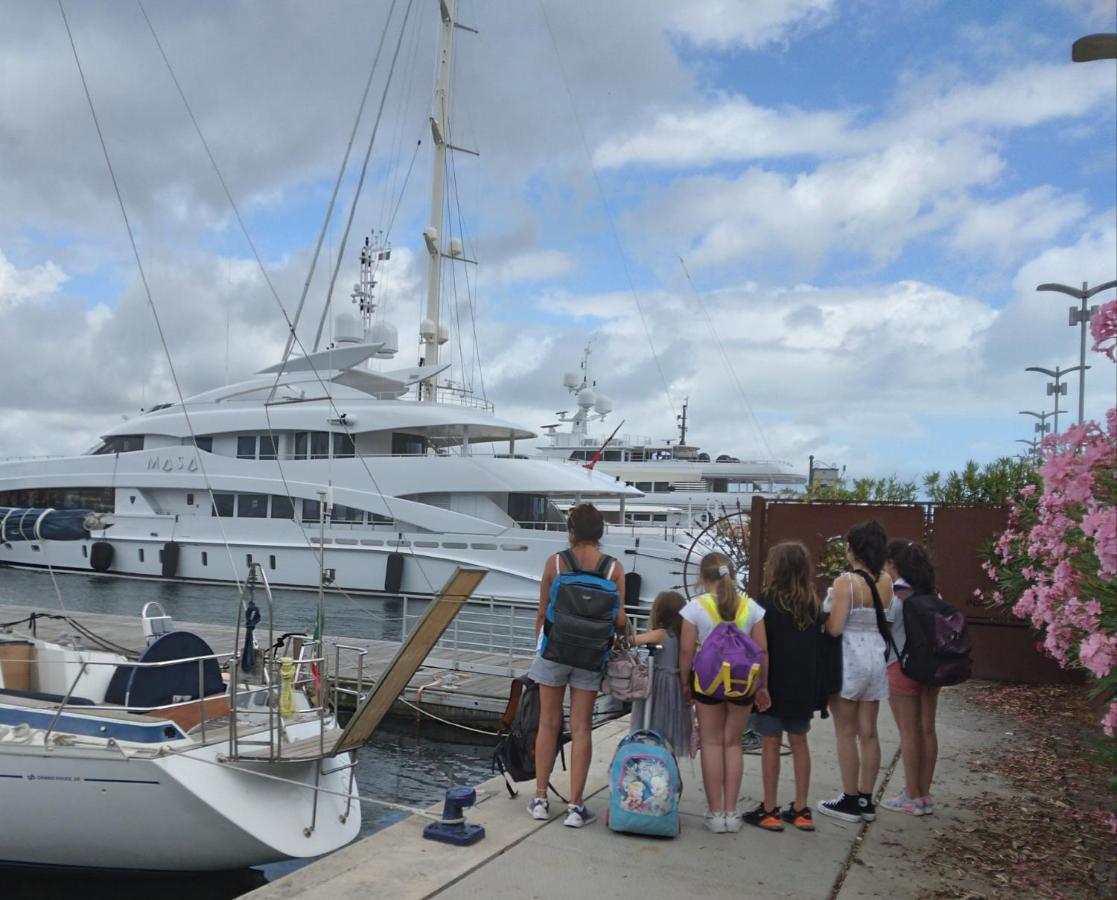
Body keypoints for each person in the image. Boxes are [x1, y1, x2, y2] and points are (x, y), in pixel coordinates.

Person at [527, 502, 626, 828]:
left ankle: (540, 799)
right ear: (600, 533)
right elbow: (620, 619)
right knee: (582, 727)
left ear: (571, 532)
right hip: (590, 655)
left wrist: (540, 646)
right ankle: (575, 806)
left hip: (554, 650)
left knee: (548, 723)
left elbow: (543, 611)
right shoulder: (614, 568)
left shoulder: (556, 562)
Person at [678, 552, 770, 834]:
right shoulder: (751, 608)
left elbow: (685, 650)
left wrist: (685, 684)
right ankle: (732, 812)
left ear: (703, 578)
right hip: (742, 685)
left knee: (712, 743)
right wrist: (762, 686)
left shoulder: (695, 608)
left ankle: (715, 813)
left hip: (707, 683)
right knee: (732, 744)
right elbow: (763, 651)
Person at [816, 521, 898, 824]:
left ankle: (848, 798)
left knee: (845, 732)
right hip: (875, 656)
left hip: (849, 658)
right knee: (869, 731)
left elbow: (835, 628)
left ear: (852, 547)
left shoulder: (845, 582)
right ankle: (866, 798)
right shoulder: (886, 581)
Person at [745, 541, 821, 833]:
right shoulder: (812, 605)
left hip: (772, 685)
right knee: (800, 743)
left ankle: (769, 809)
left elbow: (760, 649)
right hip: (803, 686)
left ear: (775, 569)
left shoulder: (764, 604)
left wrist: (759, 685)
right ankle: (801, 809)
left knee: (771, 745)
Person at [880, 539, 941, 817]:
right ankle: (924, 795)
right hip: (933, 669)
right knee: (927, 728)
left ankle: (911, 795)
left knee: (908, 731)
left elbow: (885, 629)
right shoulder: (933, 595)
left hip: (901, 668)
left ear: (893, 564)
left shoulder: (895, 596)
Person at [629, 590, 693, 755]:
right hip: (676, 685)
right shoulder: (682, 637)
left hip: (658, 686)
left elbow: (632, 641)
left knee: (653, 727)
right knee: (669, 733)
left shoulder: (661, 634)